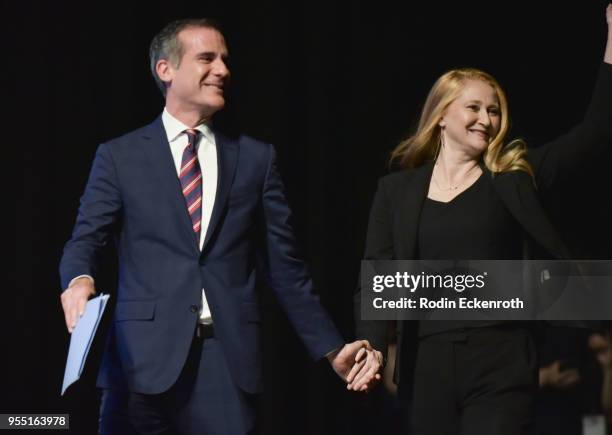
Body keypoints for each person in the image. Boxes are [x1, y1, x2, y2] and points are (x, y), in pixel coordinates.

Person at [59, 18, 380, 435]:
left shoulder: (255, 160)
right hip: (138, 366)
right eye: (207, 58)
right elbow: (86, 238)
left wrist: (331, 349)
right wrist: (79, 280)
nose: (223, 70)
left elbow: (287, 270)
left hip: (225, 365)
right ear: (165, 70)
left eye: (225, 60)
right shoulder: (119, 157)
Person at [354, 5, 612, 435]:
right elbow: (379, 277)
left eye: (494, 110)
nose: (487, 119)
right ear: (441, 115)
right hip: (428, 365)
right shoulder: (396, 192)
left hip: (503, 362)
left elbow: (597, 132)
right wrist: (374, 348)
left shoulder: (513, 177)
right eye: (473, 107)